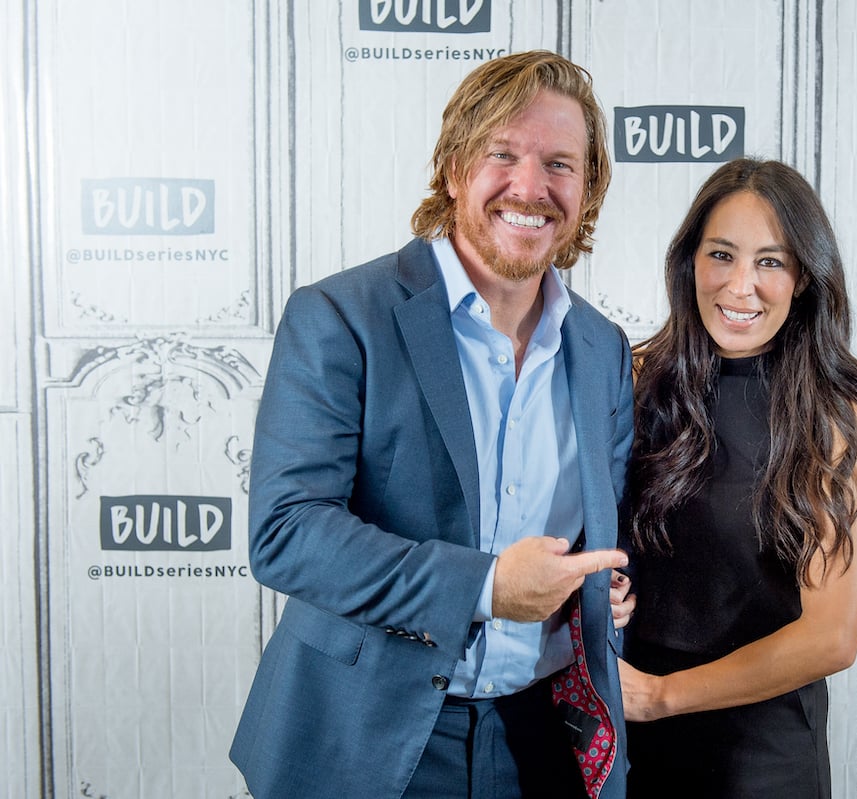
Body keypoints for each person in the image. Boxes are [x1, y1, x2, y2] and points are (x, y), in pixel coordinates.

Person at [230, 51, 636, 799]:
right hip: (368, 740)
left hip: (543, 737)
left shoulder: (603, 348)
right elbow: (285, 530)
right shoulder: (341, 317)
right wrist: (485, 585)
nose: (530, 186)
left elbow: (600, 538)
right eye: (502, 155)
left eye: (560, 164)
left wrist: (605, 589)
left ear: (588, 189)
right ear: (454, 169)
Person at [618, 158, 857, 798]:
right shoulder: (630, 378)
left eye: (770, 262)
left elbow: (831, 638)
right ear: (689, 262)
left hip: (760, 759)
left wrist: (662, 697)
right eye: (721, 255)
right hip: (627, 746)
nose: (740, 285)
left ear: (805, 277)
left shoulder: (831, 416)